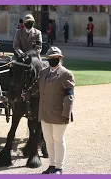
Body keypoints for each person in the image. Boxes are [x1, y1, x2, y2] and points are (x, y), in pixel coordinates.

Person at [38, 46, 75, 174]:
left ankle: (59, 167)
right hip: (45, 113)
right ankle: (52, 165)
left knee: (58, 140)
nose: (53, 60)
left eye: (55, 58)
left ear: (60, 58)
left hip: (59, 113)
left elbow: (69, 96)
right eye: (50, 58)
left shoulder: (66, 74)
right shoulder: (43, 73)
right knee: (48, 140)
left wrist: (66, 113)